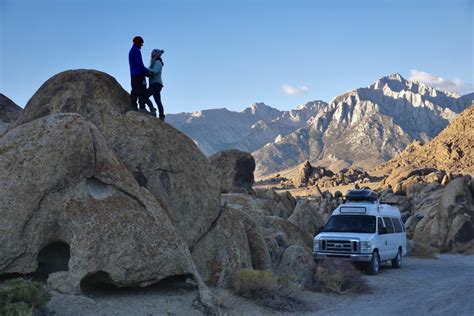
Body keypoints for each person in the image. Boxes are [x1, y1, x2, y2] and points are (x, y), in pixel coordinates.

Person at [128, 36, 151, 112]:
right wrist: (146, 72)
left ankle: (134, 106)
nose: (142, 45)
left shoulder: (131, 51)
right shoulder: (136, 50)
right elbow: (139, 64)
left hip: (133, 74)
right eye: (141, 43)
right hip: (139, 74)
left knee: (134, 90)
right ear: (138, 43)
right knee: (142, 90)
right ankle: (142, 108)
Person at [146, 49, 165, 120]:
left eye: (152, 52)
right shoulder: (154, 62)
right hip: (156, 84)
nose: (151, 53)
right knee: (158, 101)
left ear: (156, 54)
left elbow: (155, 71)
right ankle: (161, 116)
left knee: (144, 96)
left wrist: (145, 69)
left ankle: (153, 110)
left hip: (155, 84)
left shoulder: (158, 62)